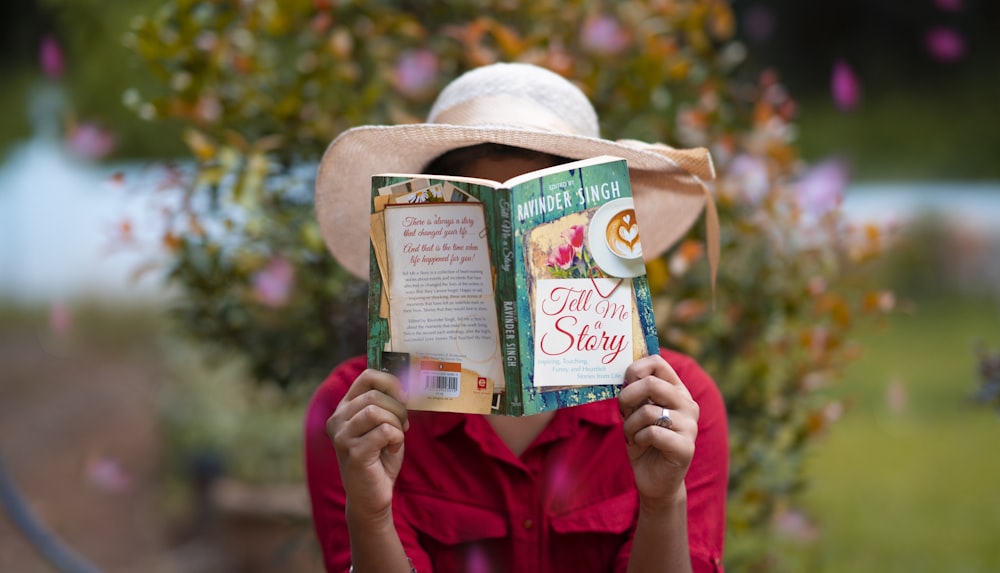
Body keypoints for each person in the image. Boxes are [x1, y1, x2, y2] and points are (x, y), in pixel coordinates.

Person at [306, 63, 728, 573]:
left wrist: (665, 503)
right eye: (472, 226)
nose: (506, 260)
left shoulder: (677, 405)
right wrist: (371, 517)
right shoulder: (356, 415)